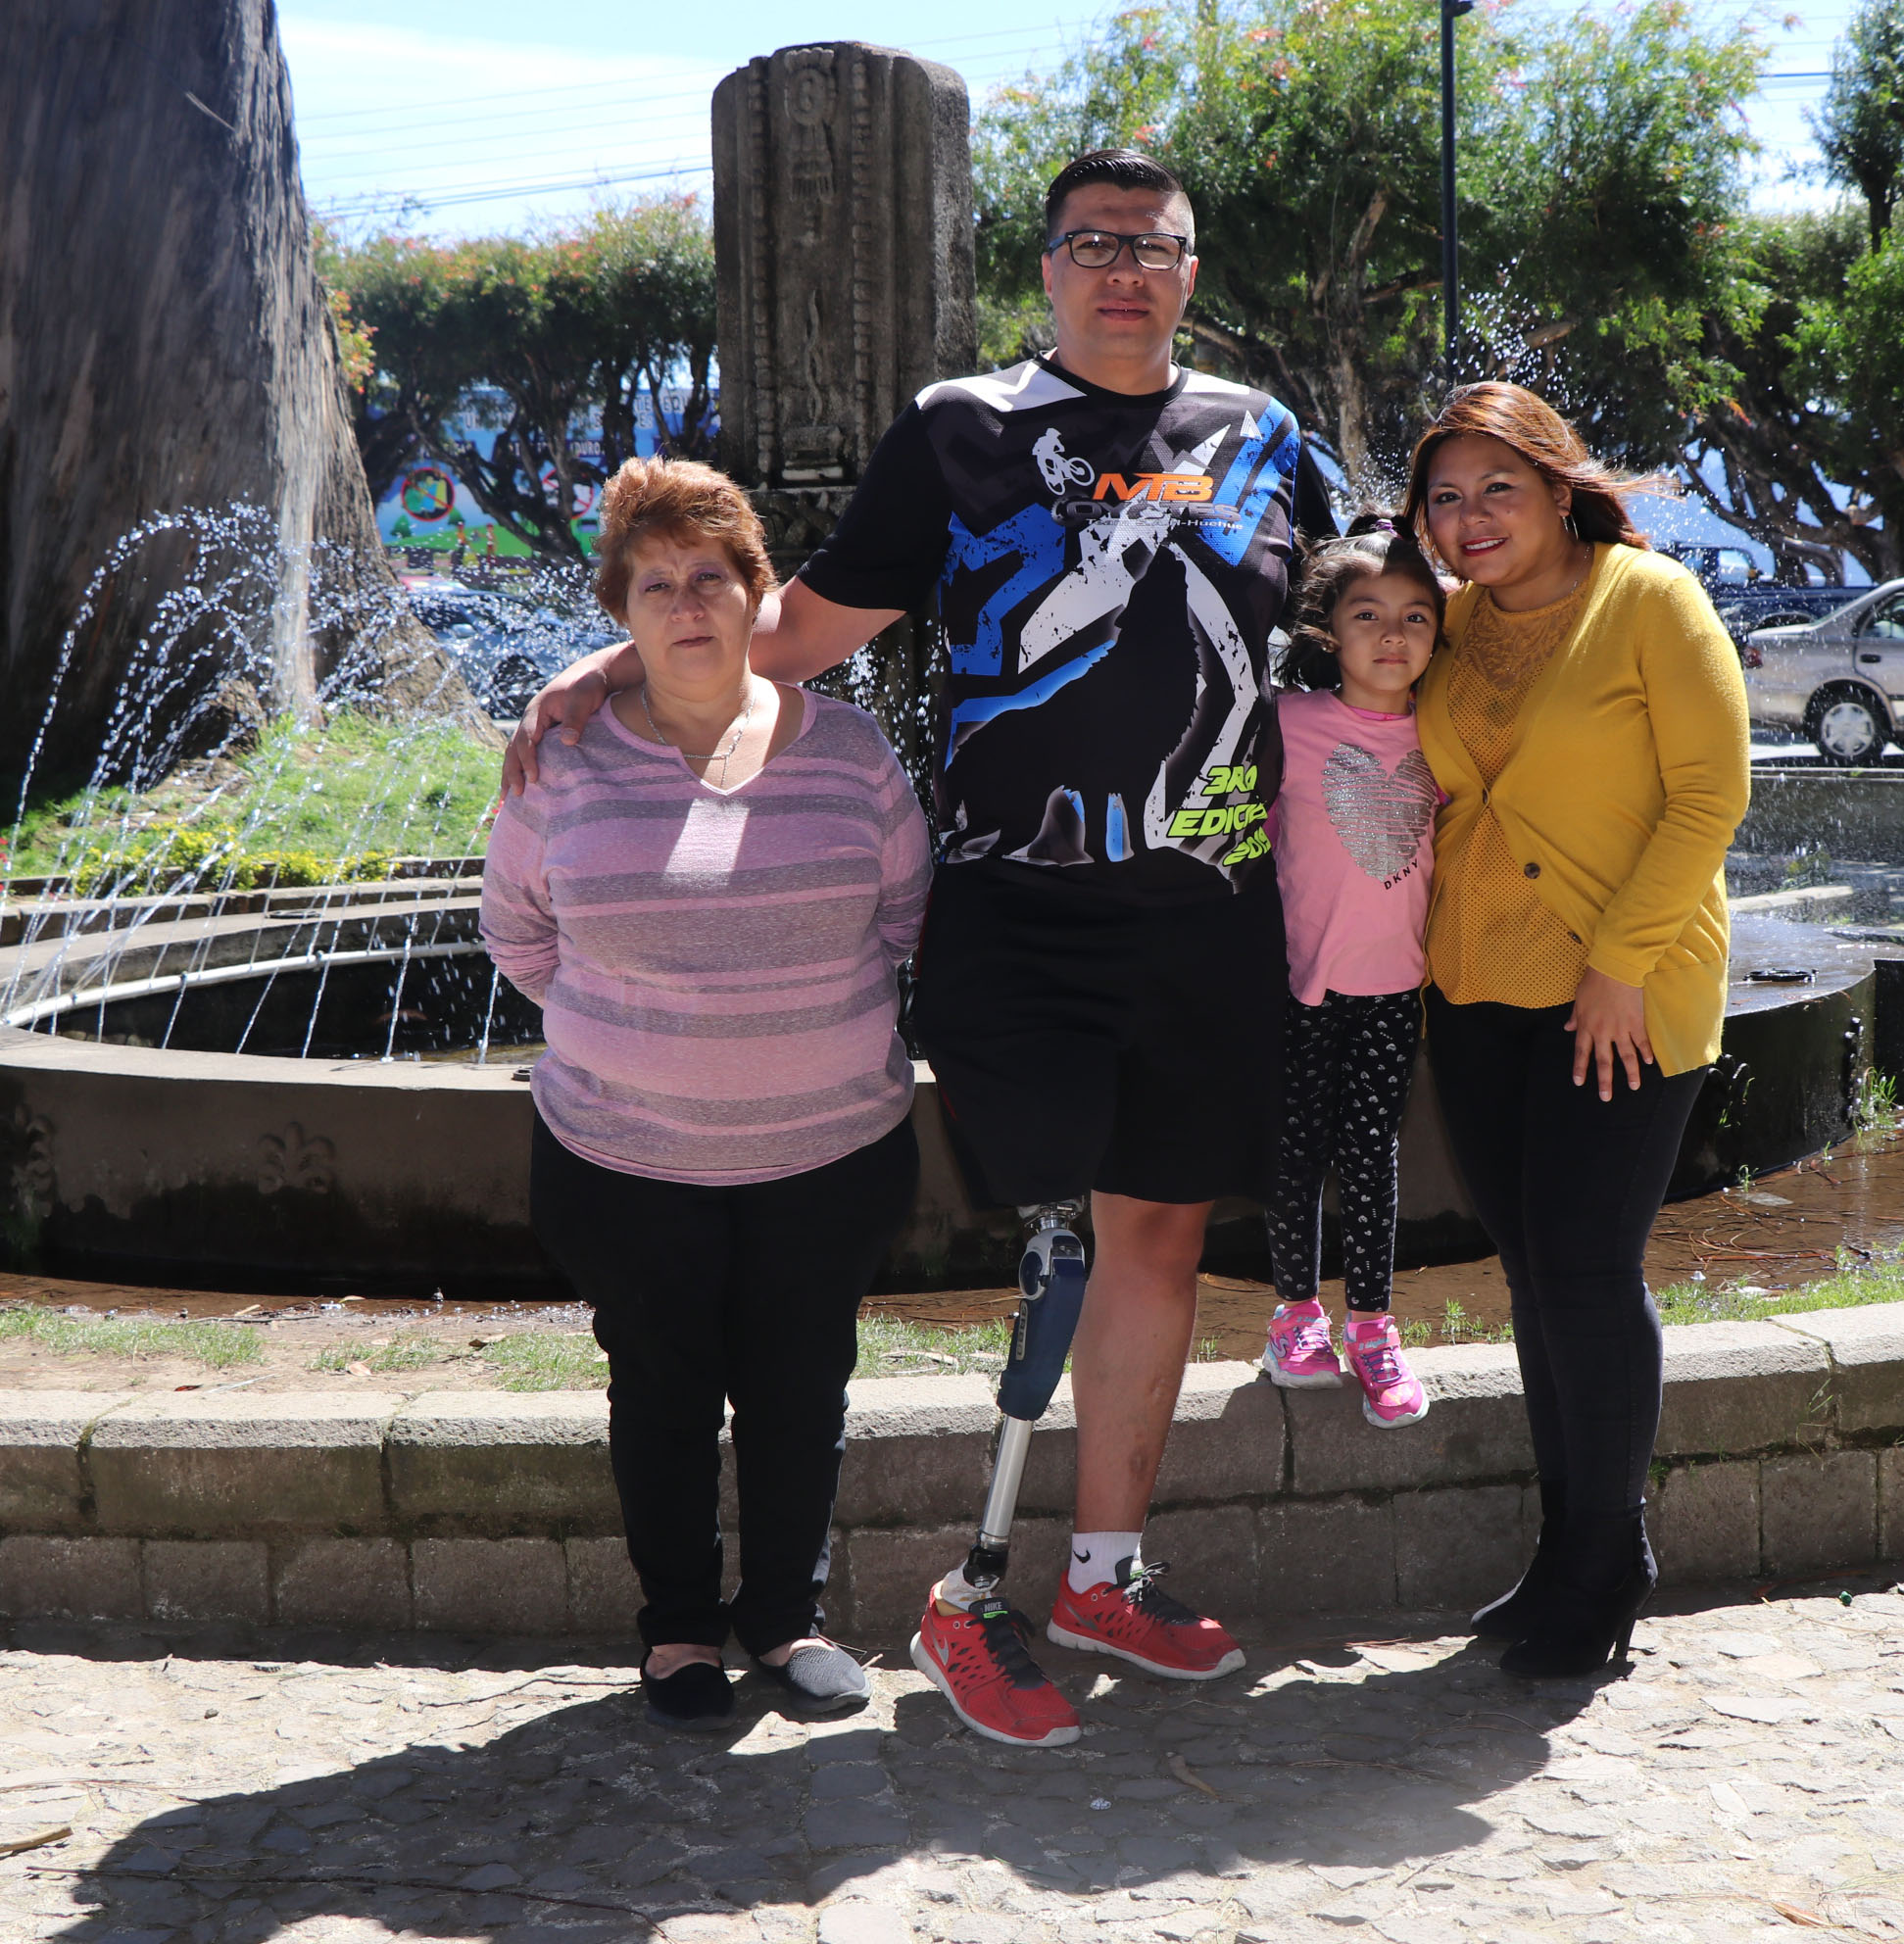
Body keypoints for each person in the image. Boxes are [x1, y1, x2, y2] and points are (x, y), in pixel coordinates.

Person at [506, 149, 1335, 1749]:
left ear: (1189, 267)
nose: (1123, 269)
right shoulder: (964, 429)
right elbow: (808, 623)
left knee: (1161, 1237)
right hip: (1021, 918)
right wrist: (618, 659)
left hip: (1209, 919)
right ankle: (970, 1584)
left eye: (1153, 246)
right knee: (1061, 1235)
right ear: (1045, 268)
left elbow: (1355, 615)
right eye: (1092, 243)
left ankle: (1103, 1567)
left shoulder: (1263, 439)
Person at [481, 457, 929, 1730]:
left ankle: (787, 1619)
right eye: (658, 582)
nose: (688, 603)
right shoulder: (561, 762)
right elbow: (518, 935)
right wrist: (651, 1033)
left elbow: (904, 914)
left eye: (714, 578)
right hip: (626, 1160)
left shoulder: (847, 752)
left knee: (803, 1386)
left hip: (828, 1154)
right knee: (662, 1391)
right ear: (620, 612)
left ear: (756, 595)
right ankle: (678, 1626)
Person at [1400, 383, 1750, 1679]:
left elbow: (1713, 796)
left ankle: (1612, 1557)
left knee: (1591, 1270)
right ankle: (1561, 1552)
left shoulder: (1649, 601)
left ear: (1560, 489)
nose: (1469, 517)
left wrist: (1619, 967)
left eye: (1498, 487)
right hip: (1476, 990)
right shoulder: (1447, 623)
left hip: (1621, 995)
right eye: (1444, 496)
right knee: (1535, 1273)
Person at [1255, 519, 1445, 1430]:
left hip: (1394, 988)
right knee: (1296, 1152)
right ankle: (1295, 1317)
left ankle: (1373, 1330)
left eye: (1416, 617)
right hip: (1298, 985)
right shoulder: (1285, 725)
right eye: (1370, 615)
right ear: (1330, 631)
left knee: (1371, 1157)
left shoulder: (1445, 733)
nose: (1394, 636)